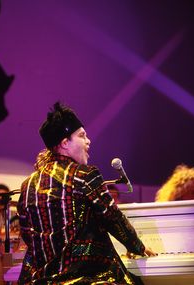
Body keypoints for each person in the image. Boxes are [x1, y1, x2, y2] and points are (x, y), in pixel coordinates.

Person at [17, 102, 156, 285]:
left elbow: (27, 235)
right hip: (85, 279)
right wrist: (138, 246)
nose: (88, 141)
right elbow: (113, 218)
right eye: (82, 136)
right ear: (65, 143)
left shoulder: (28, 185)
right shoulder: (84, 175)